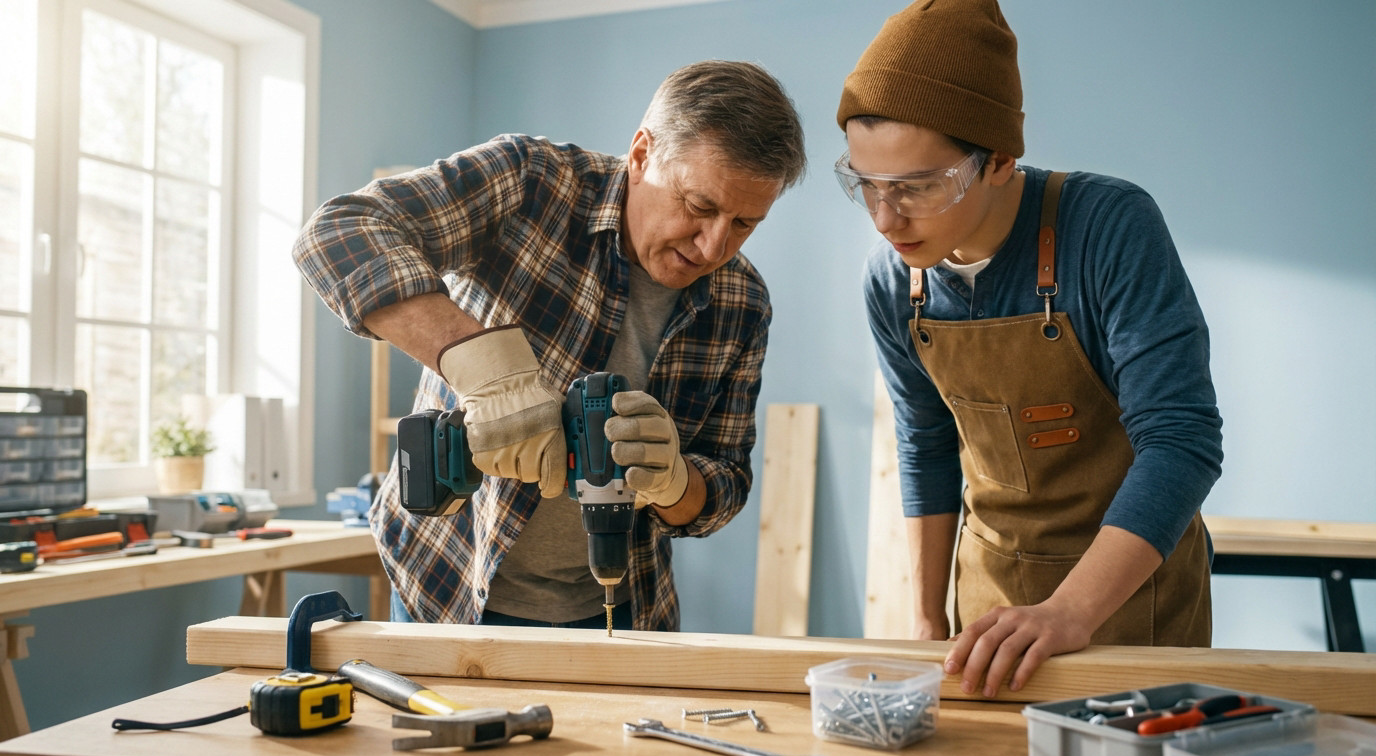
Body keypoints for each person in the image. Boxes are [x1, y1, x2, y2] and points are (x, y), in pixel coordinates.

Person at [294, 60, 806, 631]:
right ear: (641, 154)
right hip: (446, 585)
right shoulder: (531, 182)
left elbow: (726, 481)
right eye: (699, 206)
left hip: (622, 605)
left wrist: (674, 480)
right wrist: (485, 369)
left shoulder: (743, 301)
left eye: (744, 224)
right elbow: (338, 230)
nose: (714, 246)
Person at [836, 0, 1223, 695]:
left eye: (918, 188)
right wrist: (926, 619)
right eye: (867, 186)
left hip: (1131, 604)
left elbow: (1181, 441)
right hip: (989, 612)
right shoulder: (893, 281)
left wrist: (1069, 612)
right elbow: (925, 443)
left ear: (1000, 161)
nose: (888, 218)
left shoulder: (1108, 227)